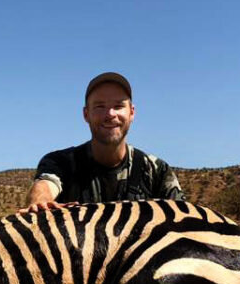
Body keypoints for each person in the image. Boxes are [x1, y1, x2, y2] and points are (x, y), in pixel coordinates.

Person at [20, 72, 185, 213]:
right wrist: (40, 202)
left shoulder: (157, 171)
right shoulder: (60, 162)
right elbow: (46, 184)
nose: (110, 114)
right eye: (100, 107)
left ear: (132, 113)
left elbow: (181, 218)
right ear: (86, 114)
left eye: (118, 106)